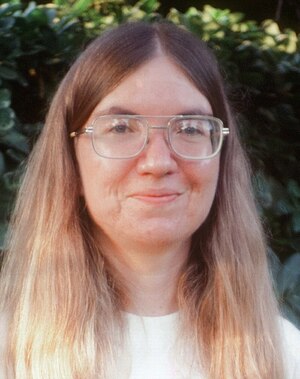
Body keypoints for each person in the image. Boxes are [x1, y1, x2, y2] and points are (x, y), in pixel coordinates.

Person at [0, 21, 299, 379]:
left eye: (189, 128)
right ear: (71, 163)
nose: (157, 163)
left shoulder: (284, 354)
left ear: (221, 158)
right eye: (121, 128)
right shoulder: (10, 351)